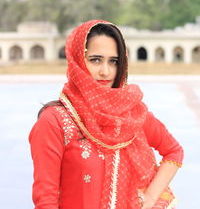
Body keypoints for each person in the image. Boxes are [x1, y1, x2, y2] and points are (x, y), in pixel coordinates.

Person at [29, 20, 184, 209]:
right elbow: (46, 200)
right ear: (77, 60)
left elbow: (174, 151)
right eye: (95, 60)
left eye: (114, 61)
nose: (106, 71)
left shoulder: (132, 113)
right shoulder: (55, 121)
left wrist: (151, 198)